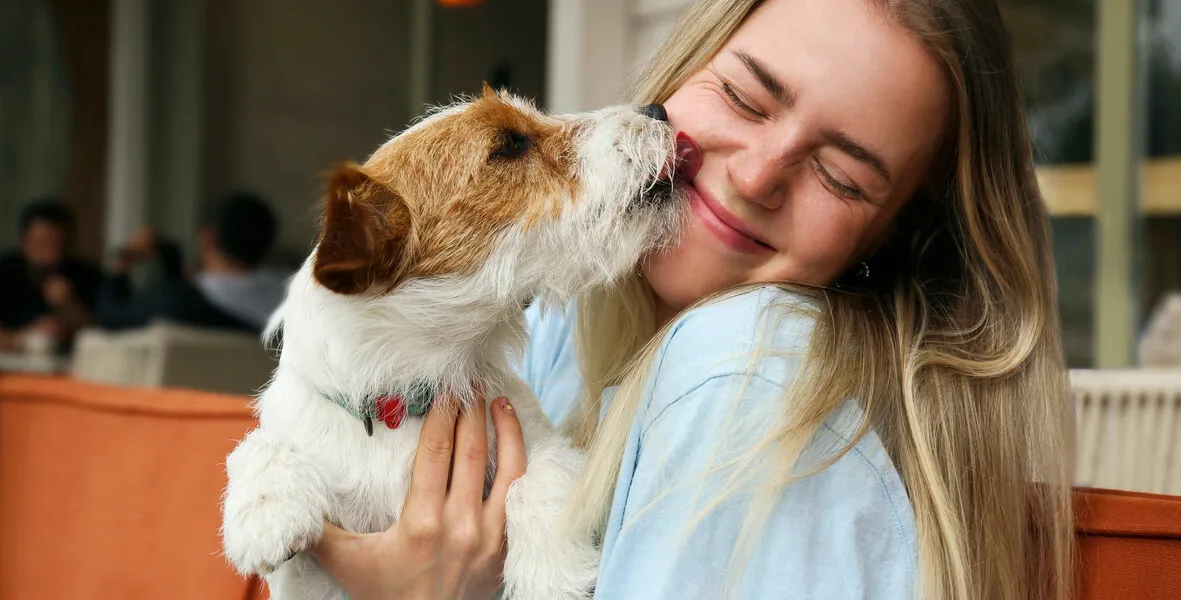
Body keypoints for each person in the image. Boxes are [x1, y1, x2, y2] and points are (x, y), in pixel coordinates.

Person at [307, 1, 1075, 599]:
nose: (755, 176)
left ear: (893, 239)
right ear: (682, 70)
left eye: (843, 176)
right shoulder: (553, 327)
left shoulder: (747, 370)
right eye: (744, 97)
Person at [95, 192, 287, 333]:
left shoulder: (177, 302)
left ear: (208, 239)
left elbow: (111, 316)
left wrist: (123, 261)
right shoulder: (290, 300)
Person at [0, 198, 103, 352]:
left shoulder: (87, 275)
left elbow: (105, 333)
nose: (53, 256)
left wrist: (70, 308)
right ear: (24, 242)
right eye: (43, 245)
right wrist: (28, 338)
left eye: (61, 245)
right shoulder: (5, 272)